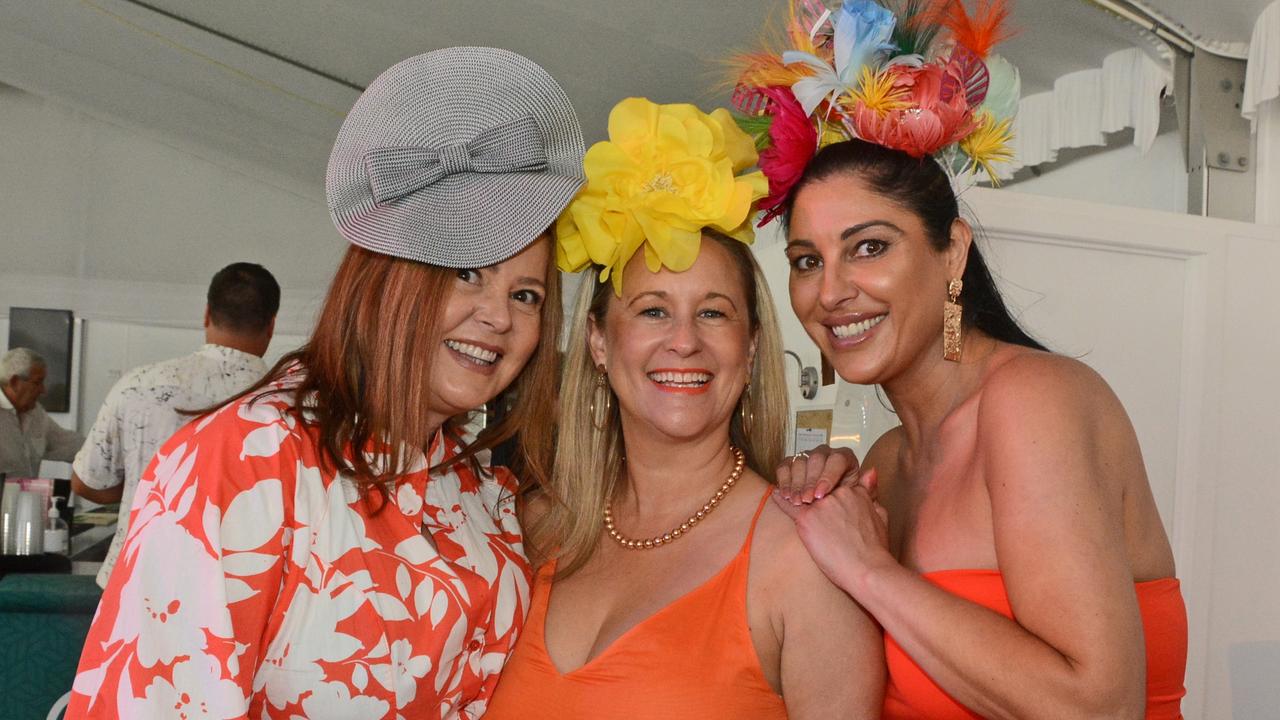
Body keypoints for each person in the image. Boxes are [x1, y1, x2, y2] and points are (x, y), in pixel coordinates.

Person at [68, 46, 585, 719]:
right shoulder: (246, 463)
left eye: (528, 295)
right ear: (387, 276)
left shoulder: (481, 493)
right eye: (468, 273)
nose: (498, 316)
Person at [485, 98, 883, 719]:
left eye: (713, 312)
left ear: (750, 349)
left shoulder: (806, 552)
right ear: (597, 341)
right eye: (652, 310)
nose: (684, 340)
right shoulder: (528, 528)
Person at [71, 262, 280, 589]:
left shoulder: (138, 385)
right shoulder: (288, 404)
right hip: (234, 593)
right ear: (271, 324)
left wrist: (138, 485)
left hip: (138, 582)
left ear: (207, 313)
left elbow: (86, 483)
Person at [0, 347, 82, 478]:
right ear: (15, 382)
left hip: (26, 497)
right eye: (37, 382)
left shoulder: (36, 414)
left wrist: (108, 449)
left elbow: (69, 444)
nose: (43, 390)